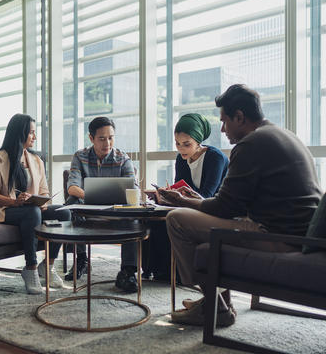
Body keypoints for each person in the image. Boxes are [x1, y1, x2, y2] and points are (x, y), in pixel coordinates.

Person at [157, 84, 322, 327]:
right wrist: (198, 200)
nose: (222, 129)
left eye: (224, 121)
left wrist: (183, 201)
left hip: (277, 236)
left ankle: (212, 305)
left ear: (240, 117)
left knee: (177, 219)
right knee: (201, 224)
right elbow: (238, 202)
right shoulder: (282, 134)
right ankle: (216, 304)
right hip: (299, 234)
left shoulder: (250, 144)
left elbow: (225, 208)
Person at [0, 114, 71, 295]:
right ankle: (30, 268)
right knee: (31, 213)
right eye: (31, 133)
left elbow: (44, 191)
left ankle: (47, 265)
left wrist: (43, 202)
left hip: (30, 209)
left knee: (64, 212)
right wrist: (15, 202)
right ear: (20, 133)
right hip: (4, 210)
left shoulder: (36, 160)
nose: (34, 137)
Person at [143, 113, 229, 280]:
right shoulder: (181, 159)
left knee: (170, 220)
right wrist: (164, 195)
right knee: (152, 218)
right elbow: (179, 187)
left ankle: (175, 274)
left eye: (186, 144)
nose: (181, 148)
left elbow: (206, 196)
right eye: (177, 143)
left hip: (211, 208)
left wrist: (179, 197)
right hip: (188, 205)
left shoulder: (215, 157)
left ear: (198, 141)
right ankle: (158, 270)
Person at [66, 116, 138, 293]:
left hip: (115, 211)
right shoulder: (80, 156)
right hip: (87, 209)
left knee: (133, 214)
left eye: (111, 137)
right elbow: (72, 187)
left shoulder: (123, 159)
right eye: (102, 138)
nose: (108, 143)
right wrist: (92, 197)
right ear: (91, 138)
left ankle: (128, 270)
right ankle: (82, 259)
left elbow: (133, 189)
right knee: (72, 204)